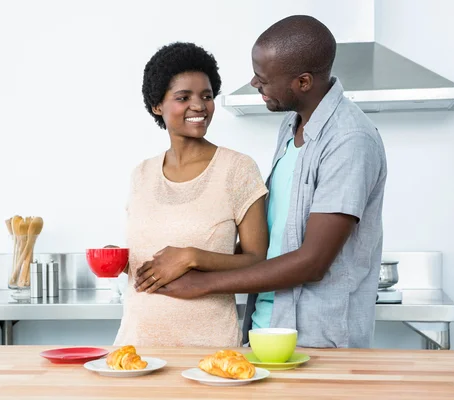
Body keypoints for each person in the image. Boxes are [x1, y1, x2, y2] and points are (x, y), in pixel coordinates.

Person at [155, 15, 388, 349]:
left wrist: (204, 284)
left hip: (318, 341)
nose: (254, 82)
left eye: (263, 77)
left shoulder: (349, 140)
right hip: (266, 330)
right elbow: (276, 236)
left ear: (303, 82)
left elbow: (313, 261)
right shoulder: (292, 125)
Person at [113, 42, 269, 347]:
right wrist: (119, 259)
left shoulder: (237, 169)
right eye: (183, 97)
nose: (199, 106)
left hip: (210, 350)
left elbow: (258, 261)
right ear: (158, 105)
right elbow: (145, 261)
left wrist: (191, 257)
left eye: (206, 96)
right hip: (136, 347)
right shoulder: (141, 174)